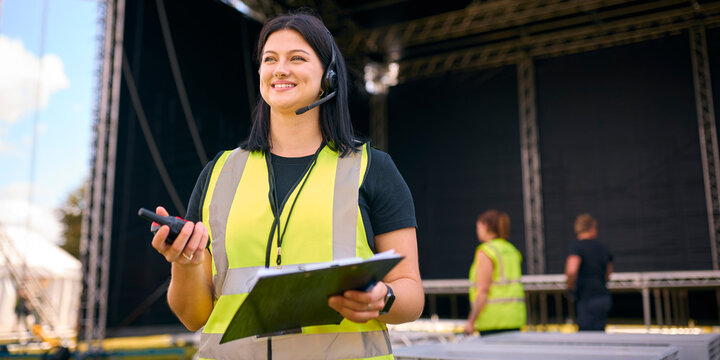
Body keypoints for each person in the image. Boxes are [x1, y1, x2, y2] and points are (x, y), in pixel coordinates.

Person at [150, 11, 423, 360]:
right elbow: (193, 317)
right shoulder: (218, 172)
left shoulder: (373, 169)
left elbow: (411, 295)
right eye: (269, 59)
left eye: (297, 58)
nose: (280, 69)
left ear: (328, 76)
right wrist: (185, 263)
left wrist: (383, 297)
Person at [464, 210, 526, 336]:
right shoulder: (511, 250)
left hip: (493, 321)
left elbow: (483, 291)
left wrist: (471, 322)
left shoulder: (486, 252)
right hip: (515, 318)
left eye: (478, 227)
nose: (477, 231)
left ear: (485, 226)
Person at [565, 213, 613, 331]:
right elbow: (608, 274)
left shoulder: (576, 247)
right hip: (602, 296)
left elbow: (571, 270)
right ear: (592, 229)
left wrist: (570, 287)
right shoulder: (604, 248)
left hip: (585, 298)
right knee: (600, 334)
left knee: (586, 338)